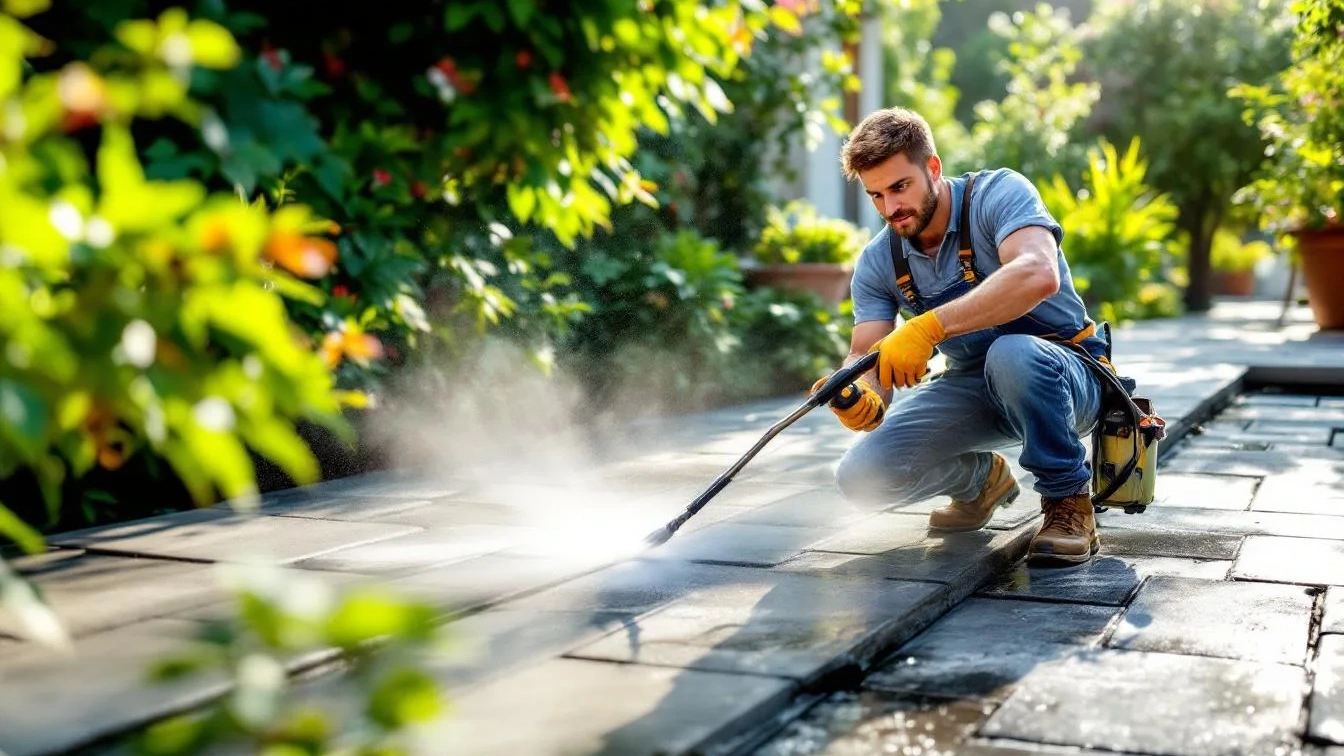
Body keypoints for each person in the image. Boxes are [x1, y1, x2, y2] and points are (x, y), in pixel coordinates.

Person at [816, 107, 1112, 564]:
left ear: (933, 168)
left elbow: (1037, 273)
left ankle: (1068, 501)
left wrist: (929, 326)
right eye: (876, 195)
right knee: (861, 475)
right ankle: (980, 482)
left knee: (1012, 354)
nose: (890, 208)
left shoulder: (998, 195)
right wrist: (857, 390)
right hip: (974, 386)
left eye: (900, 187)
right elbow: (864, 352)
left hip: (1068, 376)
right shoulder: (879, 261)